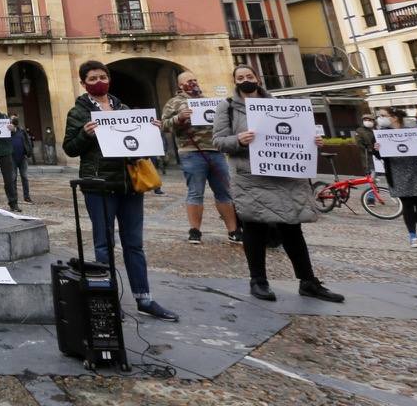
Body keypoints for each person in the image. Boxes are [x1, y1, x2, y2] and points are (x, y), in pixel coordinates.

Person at [213, 64, 344, 303]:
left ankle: (308, 281)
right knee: (254, 228)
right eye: (240, 77)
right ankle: (258, 281)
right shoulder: (228, 107)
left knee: (292, 227)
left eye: (249, 76)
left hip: (284, 175)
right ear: (234, 81)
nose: (245, 80)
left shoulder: (280, 105)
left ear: (258, 78)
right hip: (251, 176)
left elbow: (297, 134)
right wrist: (239, 140)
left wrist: (313, 141)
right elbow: (219, 142)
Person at [63, 60, 179, 321]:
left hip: (129, 184)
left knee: (134, 244)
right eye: (92, 79)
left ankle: (143, 298)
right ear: (83, 83)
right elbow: (69, 148)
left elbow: (141, 149)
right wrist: (84, 135)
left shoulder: (124, 109)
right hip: (99, 186)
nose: (98, 82)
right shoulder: (78, 113)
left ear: (109, 79)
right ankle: (108, 298)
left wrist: (152, 133)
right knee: (104, 245)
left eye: (102, 77)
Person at [162, 71, 241, 245]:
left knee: (224, 192)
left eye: (195, 80)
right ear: (180, 85)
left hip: (215, 151)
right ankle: (195, 231)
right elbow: (164, 125)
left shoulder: (209, 100)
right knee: (195, 192)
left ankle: (233, 230)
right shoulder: (174, 103)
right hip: (191, 152)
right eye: (189, 81)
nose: (193, 83)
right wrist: (179, 118)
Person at [372, 110, 417, 248]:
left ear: (394, 117)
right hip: (397, 172)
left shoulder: (413, 130)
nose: (380, 118)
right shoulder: (381, 134)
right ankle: (413, 236)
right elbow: (378, 155)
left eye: (384, 115)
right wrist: (376, 149)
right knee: (407, 205)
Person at [10, 116, 34, 204]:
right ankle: (14, 197)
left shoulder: (22, 131)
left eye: (14, 120)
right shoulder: (8, 132)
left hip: (23, 158)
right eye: (12, 119)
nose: (13, 121)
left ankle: (27, 197)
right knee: (13, 178)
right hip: (12, 158)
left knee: (25, 177)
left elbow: (28, 142)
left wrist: (29, 153)